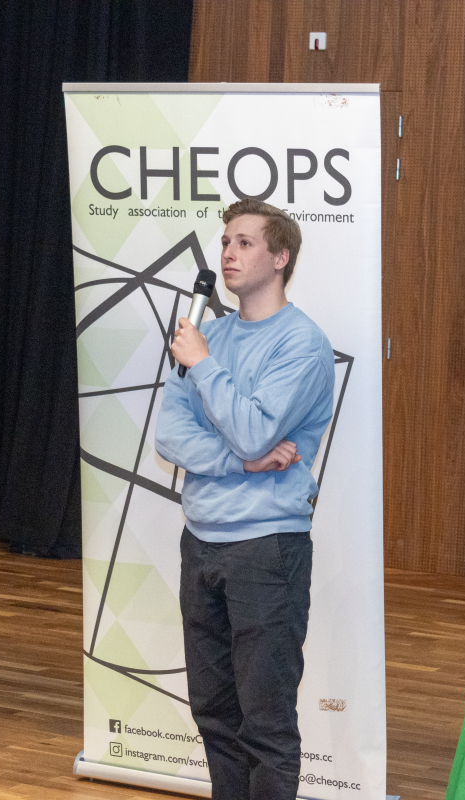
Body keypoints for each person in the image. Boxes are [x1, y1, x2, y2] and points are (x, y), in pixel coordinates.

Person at [155, 197, 335, 799]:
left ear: (280, 257)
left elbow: (257, 429)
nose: (228, 253)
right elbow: (170, 435)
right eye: (226, 241)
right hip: (201, 542)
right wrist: (241, 461)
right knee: (214, 712)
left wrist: (205, 368)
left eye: (245, 242)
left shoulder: (301, 344)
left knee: (265, 722)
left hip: (266, 549)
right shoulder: (207, 335)